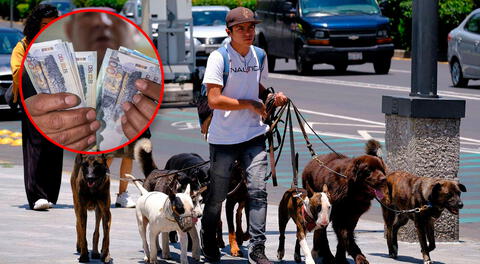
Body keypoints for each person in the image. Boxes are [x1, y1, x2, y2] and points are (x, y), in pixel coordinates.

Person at [200, 7, 288, 264]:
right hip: (223, 139)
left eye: (251, 27)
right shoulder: (219, 58)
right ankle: (208, 239)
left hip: (253, 134)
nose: (248, 32)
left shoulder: (259, 55)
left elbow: (259, 89)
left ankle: (257, 249)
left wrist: (272, 98)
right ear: (229, 32)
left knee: (258, 192)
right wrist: (249, 104)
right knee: (217, 196)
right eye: (241, 28)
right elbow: (214, 99)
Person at [64, 10, 159, 207]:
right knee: (104, 156)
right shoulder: (90, 54)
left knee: (128, 155)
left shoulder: (129, 51)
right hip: (101, 118)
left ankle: (122, 194)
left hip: (128, 114)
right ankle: (99, 189)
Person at [11, 4, 62, 210]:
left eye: (51, 25)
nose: (46, 29)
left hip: (56, 103)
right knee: (35, 149)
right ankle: (36, 196)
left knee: (54, 148)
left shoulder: (60, 44)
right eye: (43, 25)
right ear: (35, 24)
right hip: (33, 102)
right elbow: (17, 72)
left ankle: (49, 194)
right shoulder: (23, 46)